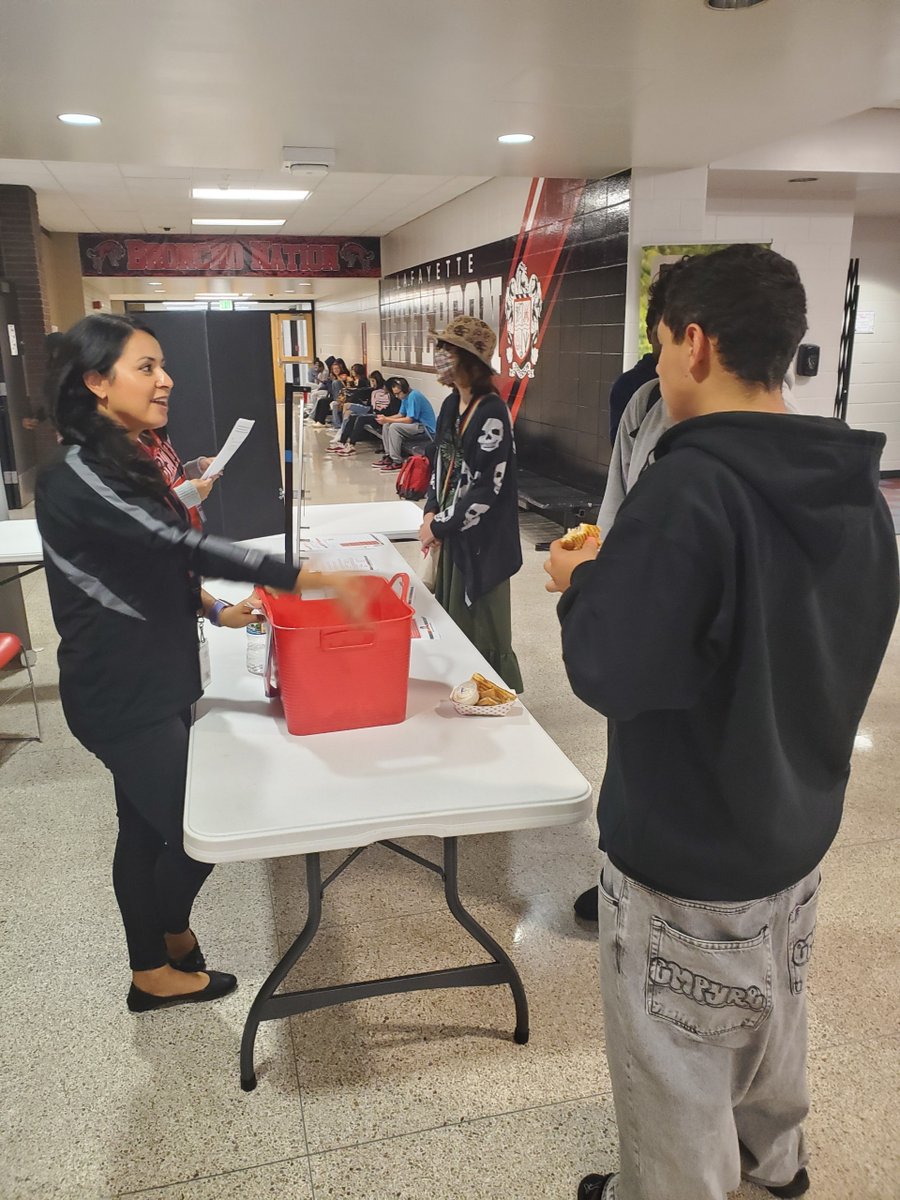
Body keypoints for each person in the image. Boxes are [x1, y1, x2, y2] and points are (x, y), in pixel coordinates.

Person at [543, 246, 898, 1200]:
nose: (658, 369)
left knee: (673, 1066)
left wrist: (582, 586)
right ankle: (773, 1167)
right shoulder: (853, 488)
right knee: (774, 1007)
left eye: (660, 347)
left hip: (689, 849)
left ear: (694, 342)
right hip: (794, 825)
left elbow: (613, 671)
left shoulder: (690, 486)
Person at [36, 314, 363, 1015]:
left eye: (162, 366)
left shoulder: (124, 456)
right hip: (121, 694)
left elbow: (150, 563)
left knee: (144, 829)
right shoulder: (74, 472)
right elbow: (169, 542)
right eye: (146, 367)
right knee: (206, 827)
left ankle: (155, 963)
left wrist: (214, 610)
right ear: (96, 382)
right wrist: (295, 573)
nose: (167, 379)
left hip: (155, 678)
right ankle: (168, 940)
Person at [419, 316, 523, 692]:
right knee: (453, 611)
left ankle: (491, 688)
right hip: (452, 529)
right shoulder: (451, 405)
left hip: (483, 539)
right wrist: (431, 510)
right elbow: (439, 463)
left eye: (448, 350)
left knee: (482, 617)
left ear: (469, 361)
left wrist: (439, 524)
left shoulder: (492, 412)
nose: (440, 357)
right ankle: (461, 682)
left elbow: (486, 490)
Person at [607, 277, 666, 443]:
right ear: (649, 335)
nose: (667, 346)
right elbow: (623, 452)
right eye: (660, 336)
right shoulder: (631, 386)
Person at [377, 377, 437, 471]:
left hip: (425, 428)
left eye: (398, 394)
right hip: (416, 426)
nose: (396, 396)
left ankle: (396, 461)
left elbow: (409, 420)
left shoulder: (414, 396)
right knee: (387, 425)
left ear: (405, 390)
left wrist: (388, 419)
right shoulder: (405, 397)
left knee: (394, 427)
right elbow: (401, 414)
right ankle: (388, 455)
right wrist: (385, 419)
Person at [334, 370, 396, 456]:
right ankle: (342, 441)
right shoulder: (378, 393)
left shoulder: (393, 398)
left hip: (384, 417)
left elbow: (390, 412)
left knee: (361, 418)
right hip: (379, 415)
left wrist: (380, 414)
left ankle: (351, 445)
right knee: (353, 416)